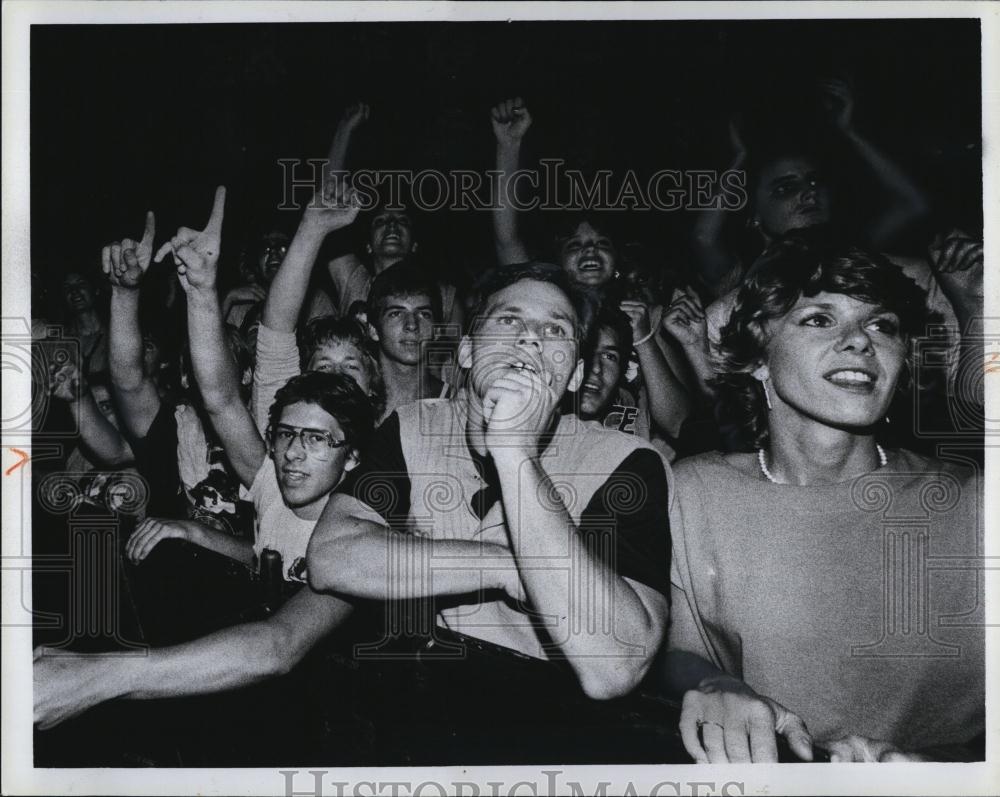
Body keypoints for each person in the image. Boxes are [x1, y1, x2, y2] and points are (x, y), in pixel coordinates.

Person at [658, 245, 984, 763]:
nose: (859, 340)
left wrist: (939, 768)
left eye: (882, 326)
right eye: (819, 318)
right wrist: (716, 685)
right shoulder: (694, 492)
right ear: (760, 359)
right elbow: (682, 650)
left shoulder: (973, 502)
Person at [307, 262, 671, 700]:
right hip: (430, 710)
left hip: (555, 733)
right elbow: (331, 557)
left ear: (574, 375)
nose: (530, 338)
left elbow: (615, 665)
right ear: (466, 351)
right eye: (509, 319)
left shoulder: (625, 463)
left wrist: (515, 451)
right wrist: (502, 565)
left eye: (555, 331)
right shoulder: (417, 425)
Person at [131, 187, 376, 581]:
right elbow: (221, 398)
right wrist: (201, 292)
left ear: (353, 454)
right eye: (287, 436)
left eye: (316, 439)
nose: (295, 452)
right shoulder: (276, 477)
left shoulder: (382, 486)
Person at [490, 98, 693, 444]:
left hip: (627, 475)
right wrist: (509, 146)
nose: (589, 251)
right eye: (575, 244)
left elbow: (679, 424)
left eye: (601, 243)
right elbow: (506, 236)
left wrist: (644, 338)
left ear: (617, 260)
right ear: (558, 260)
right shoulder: (544, 309)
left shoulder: (651, 317)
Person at [322, 103, 463, 333]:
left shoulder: (445, 296)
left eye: (402, 221)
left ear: (415, 244)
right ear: (368, 245)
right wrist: (345, 129)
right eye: (381, 221)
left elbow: (448, 365)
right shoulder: (354, 281)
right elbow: (326, 205)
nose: (391, 226)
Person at [365, 259, 449, 420]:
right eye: (396, 313)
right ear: (374, 330)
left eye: (424, 314)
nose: (412, 325)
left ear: (437, 331)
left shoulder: (455, 403)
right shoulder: (357, 401)